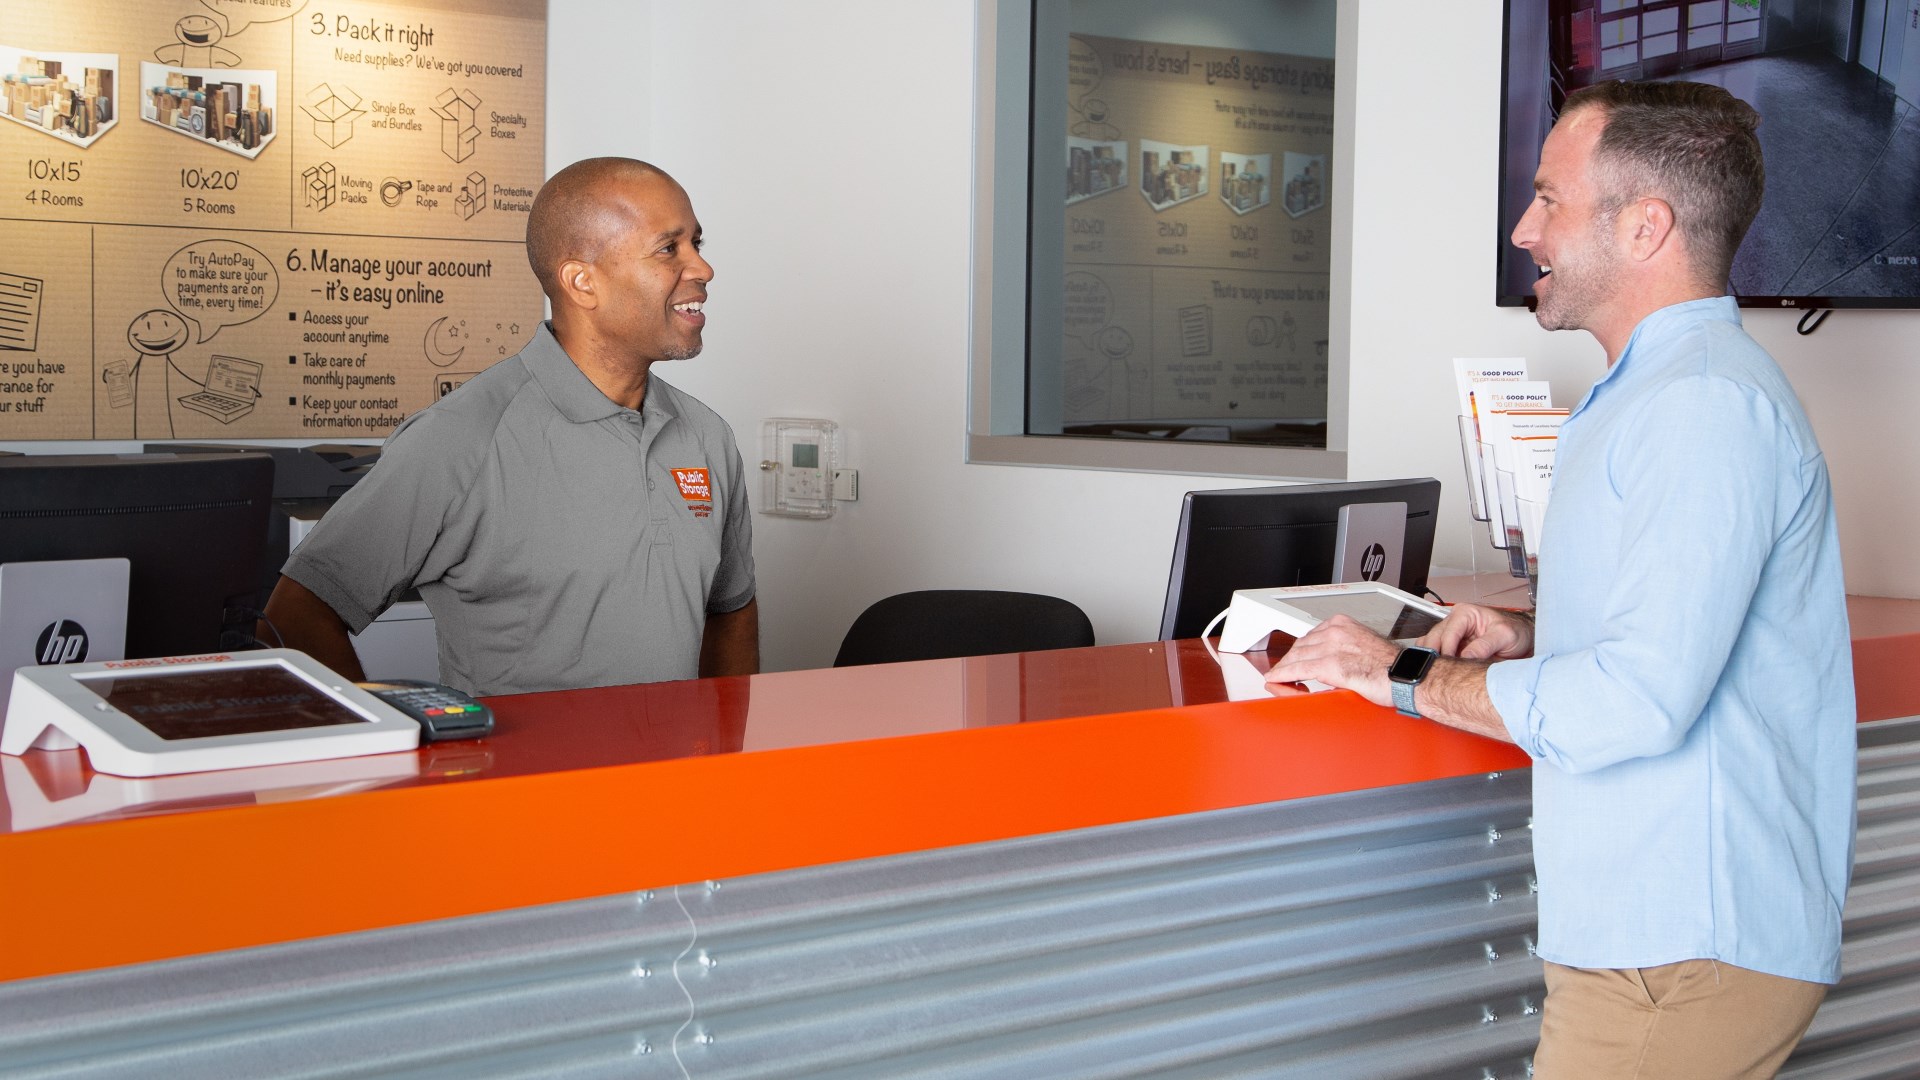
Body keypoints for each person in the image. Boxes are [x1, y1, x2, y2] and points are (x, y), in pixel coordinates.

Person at [1266, 81, 1854, 1078]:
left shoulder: (1700, 407)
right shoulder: (1655, 395)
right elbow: (1677, 632)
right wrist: (1538, 636)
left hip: (1679, 951)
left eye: (1549, 198)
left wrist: (1397, 673)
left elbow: (1638, 700)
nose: (1524, 227)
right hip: (1655, 945)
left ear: (1645, 228)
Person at [264, 157, 758, 695]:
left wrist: (724, 739)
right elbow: (295, 617)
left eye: (696, 244)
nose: (702, 269)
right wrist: (391, 736)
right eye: (669, 248)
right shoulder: (458, 439)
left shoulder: (706, 436)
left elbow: (731, 609)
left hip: (680, 756)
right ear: (582, 282)